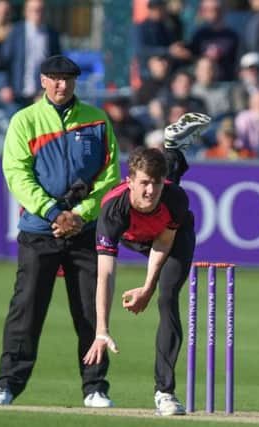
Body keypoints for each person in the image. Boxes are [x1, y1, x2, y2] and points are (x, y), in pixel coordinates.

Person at [0, 55, 121, 407]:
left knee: (92, 311)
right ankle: (8, 384)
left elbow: (109, 176)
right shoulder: (25, 120)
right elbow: (16, 174)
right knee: (27, 308)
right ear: (43, 80)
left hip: (86, 230)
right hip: (39, 230)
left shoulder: (96, 120)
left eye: (68, 79)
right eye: (55, 79)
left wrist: (80, 213)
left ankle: (95, 387)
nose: (62, 85)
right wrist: (53, 212)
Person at [82, 113, 210, 416]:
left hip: (172, 238)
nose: (149, 191)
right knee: (169, 176)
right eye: (143, 184)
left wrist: (148, 288)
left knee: (167, 298)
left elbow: (164, 242)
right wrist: (102, 329)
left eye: (154, 184)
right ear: (129, 182)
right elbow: (105, 273)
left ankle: (164, 392)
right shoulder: (113, 209)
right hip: (134, 235)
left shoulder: (174, 198)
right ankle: (172, 146)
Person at [1, 0, 61, 104]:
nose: (38, 14)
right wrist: (5, 85)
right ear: (26, 12)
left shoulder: (51, 34)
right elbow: (5, 61)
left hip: (40, 95)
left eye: (41, 10)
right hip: (17, 94)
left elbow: (56, 64)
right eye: (34, 10)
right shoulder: (16, 32)